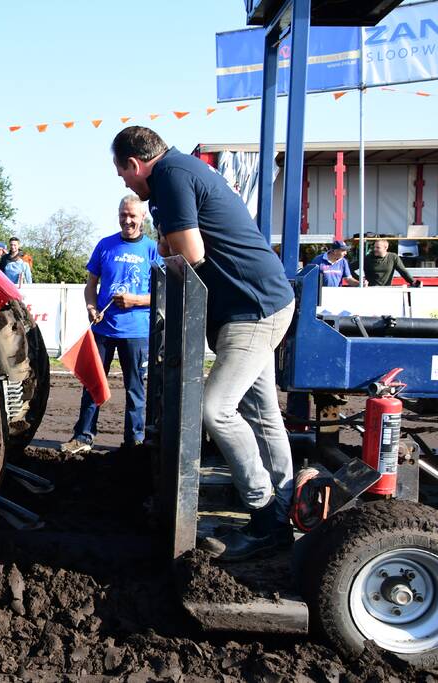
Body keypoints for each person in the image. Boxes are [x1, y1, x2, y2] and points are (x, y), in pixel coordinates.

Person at [111, 126, 296, 561]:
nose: (122, 181)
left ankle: (266, 513)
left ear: (134, 164)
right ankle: (282, 504)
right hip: (259, 303)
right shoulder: (181, 172)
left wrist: (169, 241)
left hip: (253, 309)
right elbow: (176, 246)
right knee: (261, 411)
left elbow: (189, 254)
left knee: (216, 409)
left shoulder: (172, 177)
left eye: (121, 172)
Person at [61, 194, 162, 455]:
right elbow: (90, 286)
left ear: (142, 217)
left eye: (132, 216)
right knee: (92, 385)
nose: (127, 220)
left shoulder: (153, 250)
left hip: (136, 332)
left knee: (135, 390)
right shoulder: (105, 245)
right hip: (103, 329)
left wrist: (135, 300)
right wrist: (91, 308)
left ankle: (134, 442)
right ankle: (83, 437)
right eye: (123, 215)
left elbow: (163, 294)